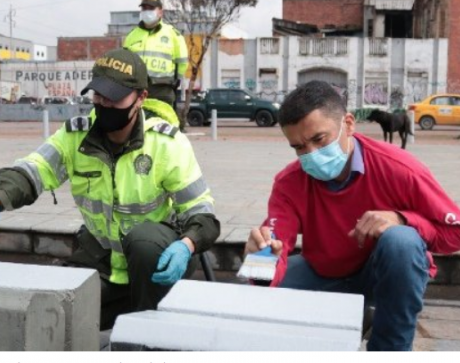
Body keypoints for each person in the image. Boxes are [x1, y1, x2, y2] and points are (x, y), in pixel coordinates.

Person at [0, 48, 220, 330]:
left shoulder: (166, 144)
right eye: (98, 95)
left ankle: (148, 333)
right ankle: (126, 310)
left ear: (141, 98)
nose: (103, 104)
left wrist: (186, 244)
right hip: (102, 262)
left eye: (113, 98)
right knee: (53, 319)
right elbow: (31, 172)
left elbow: (202, 212)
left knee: (143, 241)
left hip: (154, 264)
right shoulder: (75, 136)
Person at [243, 80, 460, 351]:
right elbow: (277, 239)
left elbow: (455, 233)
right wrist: (261, 258)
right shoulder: (289, 182)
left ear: (348, 124)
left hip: (382, 274)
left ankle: (389, 348)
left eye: (319, 139)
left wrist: (402, 219)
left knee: (402, 242)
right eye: (298, 147)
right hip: (322, 271)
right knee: (250, 291)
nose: (311, 154)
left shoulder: (399, 169)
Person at [123, 0, 188, 107]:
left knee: (164, 123)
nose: (147, 11)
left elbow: (182, 62)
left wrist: (175, 82)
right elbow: (124, 61)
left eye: (151, 8)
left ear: (160, 12)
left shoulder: (173, 34)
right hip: (136, 90)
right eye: (144, 8)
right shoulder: (131, 35)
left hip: (162, 90)